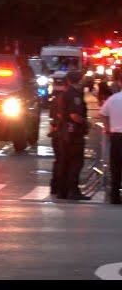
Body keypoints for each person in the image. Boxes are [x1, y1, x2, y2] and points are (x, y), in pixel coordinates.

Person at [56, 70, 91, 200]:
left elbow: (61, 114)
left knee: (65, 163)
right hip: (74, 134)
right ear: (79, 80)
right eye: (82, 79)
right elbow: (74, 115)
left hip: (65, 133)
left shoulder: (64, 94)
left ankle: (62, 191)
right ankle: (73, 191)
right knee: (76, 163)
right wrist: (85, 122)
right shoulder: (75, 95)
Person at [100, 69, 122, 204]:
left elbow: (103, 114)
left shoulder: (112, 99)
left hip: (116, 137)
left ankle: (115, 195)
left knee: (116, 167)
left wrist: (107, 128)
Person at [48, 73, 67, 196]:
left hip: (56, 132)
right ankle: (60, 187)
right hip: (63, 133)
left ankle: (55, 186)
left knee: (58, 161)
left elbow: (52, 117)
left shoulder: (55, 99)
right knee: (63, 161)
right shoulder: (67, 97)